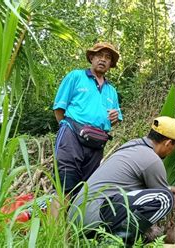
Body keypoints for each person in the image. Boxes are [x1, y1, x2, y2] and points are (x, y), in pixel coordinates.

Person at [68, 116, 175, 243]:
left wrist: (169, 188)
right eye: (174, 146)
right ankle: (115, 243)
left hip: (78, 219)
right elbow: (162, 202)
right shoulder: (152, 159)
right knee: (165, 198)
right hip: (94, 217)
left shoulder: (132, 146)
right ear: (168, 143)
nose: (172, 150)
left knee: (165, 194)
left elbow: (136, 187)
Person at [53, 42, 123, 198]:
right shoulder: (76, 76)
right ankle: (55, 223)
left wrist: (113, 118)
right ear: (91, 58)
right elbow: (59, 108)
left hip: (97, 142)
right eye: (99, 55)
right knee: (64, 184)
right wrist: (66, 129)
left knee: (85, 189)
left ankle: (75, 222)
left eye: (108, 57)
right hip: (71, 136)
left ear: (111, 64)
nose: (103, 60)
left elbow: (116, 119)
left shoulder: (111, 90)